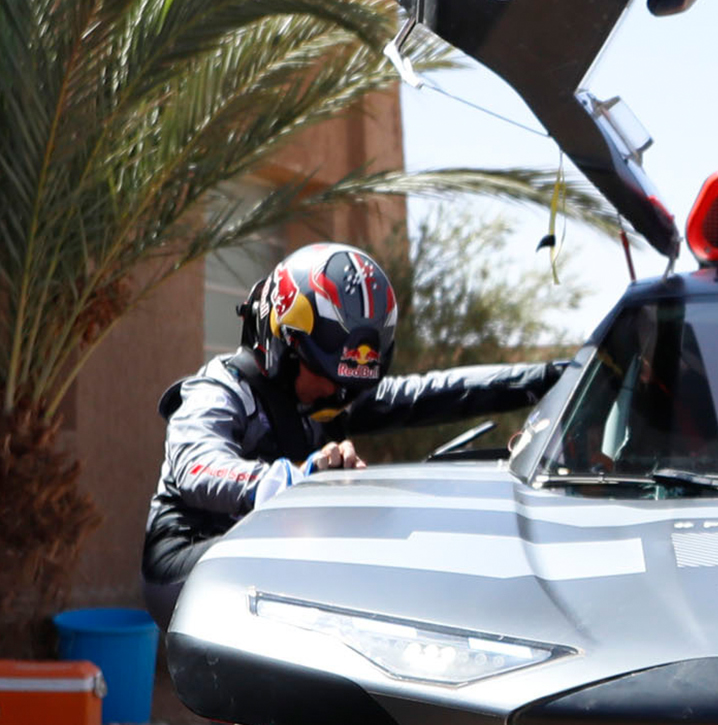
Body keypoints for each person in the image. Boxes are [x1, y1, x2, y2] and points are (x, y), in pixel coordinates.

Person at [143, 242, 569, 629]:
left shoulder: (336, 393)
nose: (335, 391)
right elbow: (198, 467)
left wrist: (548, 378)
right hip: (187, 560)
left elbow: (435, 392)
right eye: (321, 372)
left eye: (348, 383)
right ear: (282, 344)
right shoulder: (218, 389)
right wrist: (298, 480)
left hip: (265, 555)